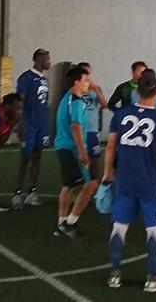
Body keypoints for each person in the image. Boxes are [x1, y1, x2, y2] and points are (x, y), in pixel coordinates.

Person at [103, 70, 156, 292]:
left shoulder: (121, 114)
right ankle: (152, 278)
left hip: (125, 179)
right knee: (154, 230)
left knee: (119, 227)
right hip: (149, 182)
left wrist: (107, 172)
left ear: (137, 90)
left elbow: (111, 146)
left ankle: (114, 275)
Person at [53, 66, 99, 241]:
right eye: (86, 80)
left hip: (64, 146)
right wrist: (82, 151)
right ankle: (70, 222)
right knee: (92, 184)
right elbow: (76, 126)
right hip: (71, 148)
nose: (89, 83)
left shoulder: (68, 98)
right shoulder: (77, 100)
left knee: (69, 185)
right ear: (76, 82)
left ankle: (62, 223)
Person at [12, 49, 51, 209]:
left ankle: (32, 192)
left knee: (37, 157)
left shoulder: (44, 79)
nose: (49, 62)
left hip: (42, 124)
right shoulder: (26, 77)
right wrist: (20, 124)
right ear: (38, 60)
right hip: (29, 124)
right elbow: (19, 102)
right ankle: (17, 193)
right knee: (25, 157)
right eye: (47, 59)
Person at [77, 62, 107, 160]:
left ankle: (94, 176)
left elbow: (104, 105)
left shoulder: (96, 88)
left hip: (92, 130)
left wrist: (96, 91)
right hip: (78, 130)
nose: (88, 76)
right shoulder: (74, 89)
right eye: (85, 73)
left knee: (94, 159)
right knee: (79, 158)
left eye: (89, 73)